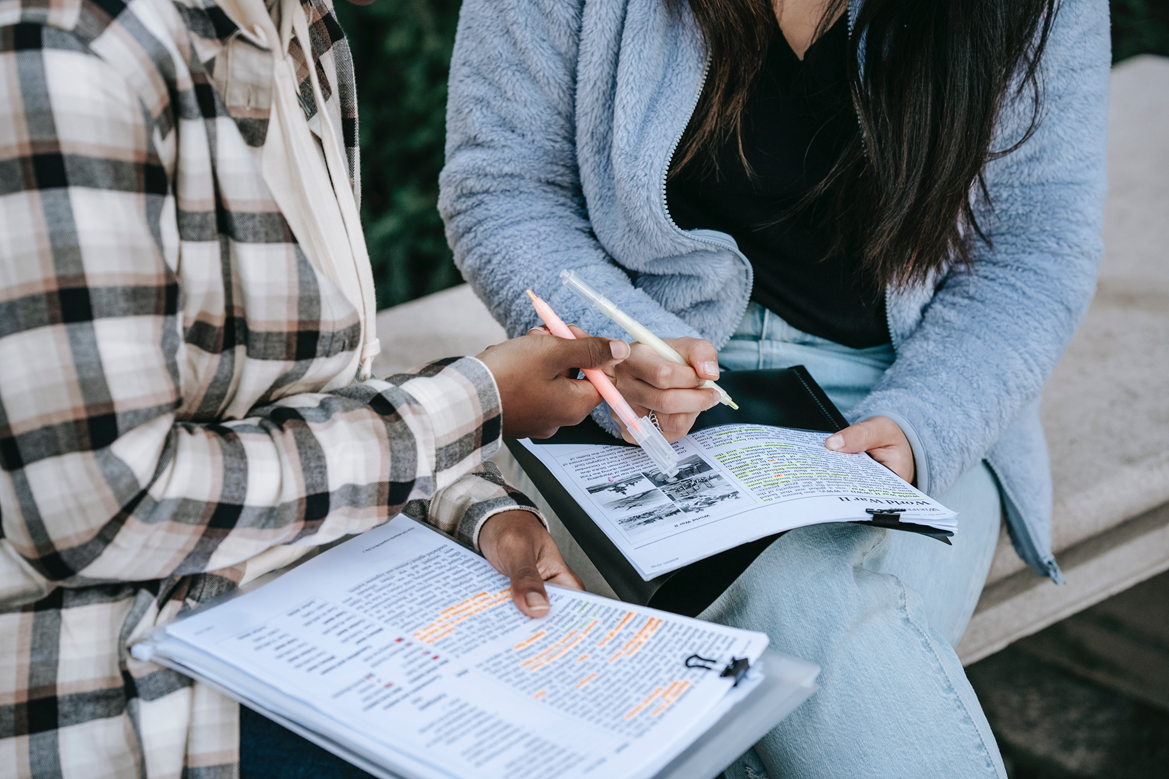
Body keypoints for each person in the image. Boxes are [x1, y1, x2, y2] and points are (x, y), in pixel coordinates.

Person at [440, 0, 1109, 775]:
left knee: (775, 608)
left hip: (910, 390)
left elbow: (1035, 245)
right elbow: (503, 185)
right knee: (790, 614)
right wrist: (623, 344)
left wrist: (926, 423)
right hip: (632, 397)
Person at [0, 0, 626, 775]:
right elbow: (96, 506)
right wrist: (474, 405)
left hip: (311, 614)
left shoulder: (303, 29)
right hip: (140, 685)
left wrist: (474, 507)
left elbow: (306, 401)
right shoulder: (68, 50)